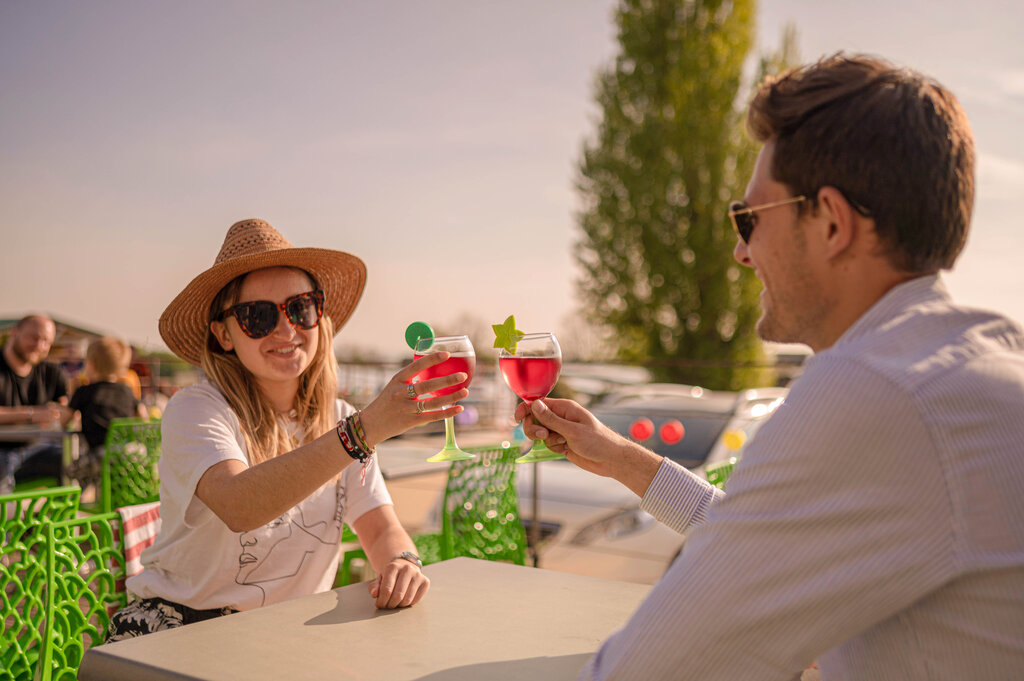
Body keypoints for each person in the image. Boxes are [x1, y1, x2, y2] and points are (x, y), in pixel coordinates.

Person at [518, 54, 1024, 680]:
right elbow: (771, 539)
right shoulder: (970, 362)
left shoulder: (875, 390)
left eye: (749, 219)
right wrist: (619, 456)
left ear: (833, 223)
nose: (740, 250)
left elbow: (654, 668)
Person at [107, 218, 468, 640]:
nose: (286, 329)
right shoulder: (195, 409)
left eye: (300, 307)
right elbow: (238, 505)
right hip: (179, 632)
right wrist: (363, 430)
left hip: (285, 636)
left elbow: (379, 525)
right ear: (223, 334)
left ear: (319, 315)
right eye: (256, 316)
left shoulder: (340, 417)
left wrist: (403, 562)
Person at [63, 336, 148, 490]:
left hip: (101, 456)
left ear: (91, 365)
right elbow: (143, 417)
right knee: (102, 468)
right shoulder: (126, 390)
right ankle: (103, 493)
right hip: (127, 455)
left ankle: (76, 501)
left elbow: (64, 422)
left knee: (69, 470)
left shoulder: (83, 391)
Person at [0, 314, 70, 493]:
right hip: (2, 452)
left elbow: (66, 407)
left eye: (46, 341)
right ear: (15, 333)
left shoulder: (52, 373)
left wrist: (64, 413)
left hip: (37, 449)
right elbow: (37, 413)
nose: (40, 346)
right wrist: (32, 413)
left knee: (78, 463)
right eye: (34, 337)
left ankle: (54, 517)